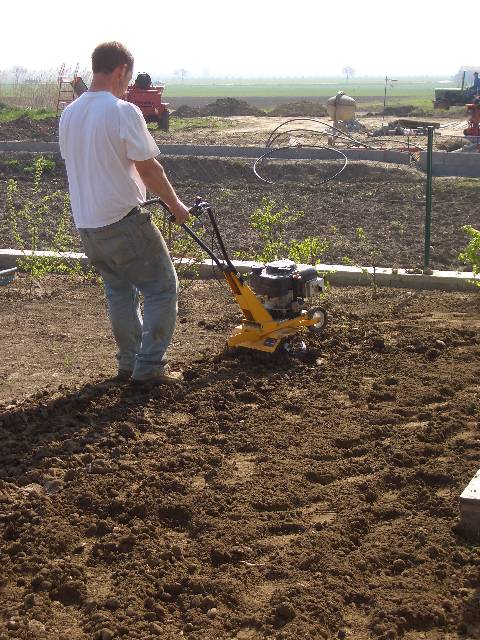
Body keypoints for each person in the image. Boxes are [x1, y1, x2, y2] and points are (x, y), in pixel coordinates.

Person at [59, 41, 189, 385]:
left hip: (88, 226)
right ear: (120, 71)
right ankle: (150, 369)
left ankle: (129, 364)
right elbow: (149, 169)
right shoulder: (122, 111)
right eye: (128, 78)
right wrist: (176, 205)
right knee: (162, 287)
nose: (127, 85)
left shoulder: (69, 114)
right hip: (123, 221)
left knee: (119, 292)